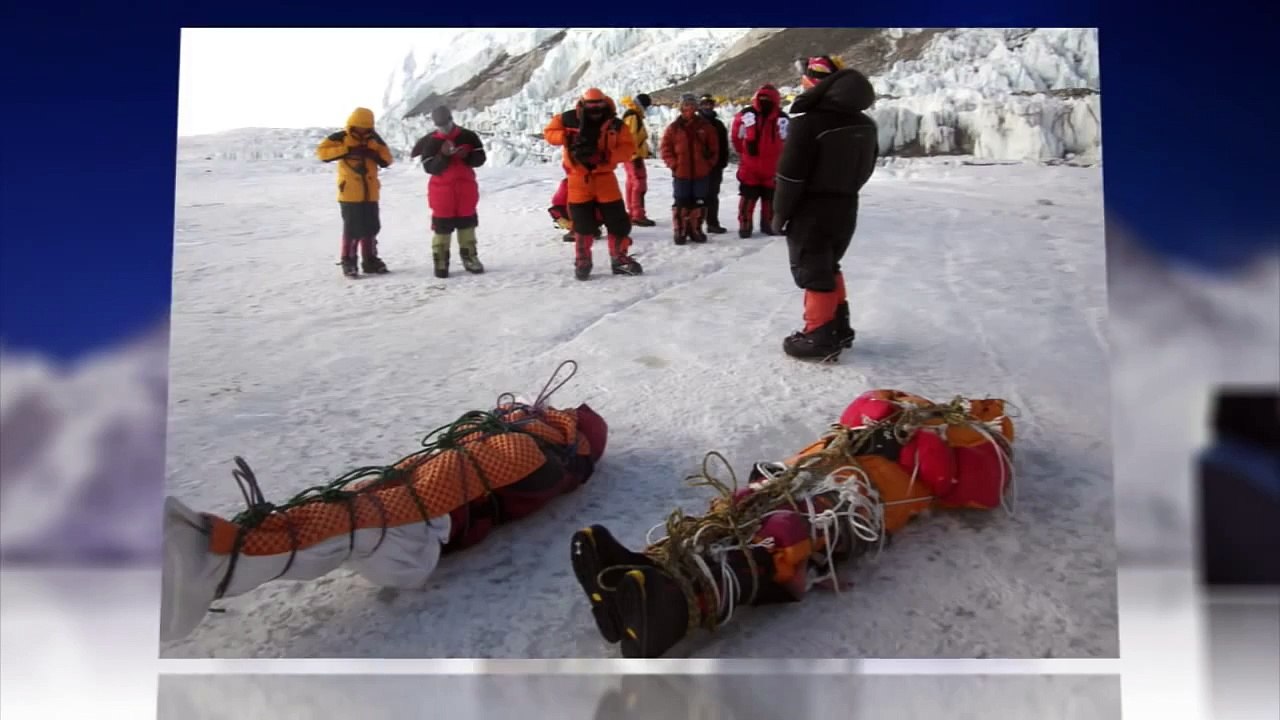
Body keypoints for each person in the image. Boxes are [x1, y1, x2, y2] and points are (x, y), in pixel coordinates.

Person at [160, 363, 610, 643]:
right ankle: (216, 554)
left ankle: (211, 560)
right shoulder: (528, 449)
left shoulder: (530, 452)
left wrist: (513, 425)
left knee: (346, 520)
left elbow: (465, 475)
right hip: (413, 523)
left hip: (419, 535)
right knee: (339, 513)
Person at [569, 388, 1016, 658]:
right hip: (814, 467)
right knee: (741, 506)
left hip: (861, 500)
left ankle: (673, 607)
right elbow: (860, 411)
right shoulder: (906, 406)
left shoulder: (973, 438)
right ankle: (642, 570)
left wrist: (924, 442)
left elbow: (973, 483)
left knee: (786, 534)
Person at [771, 56, 879, 361]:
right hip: (846, 204)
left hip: (812, 208)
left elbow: (790, 176)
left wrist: (780, 213)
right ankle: (838, 327)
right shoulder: (865, 124)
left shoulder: (808, 124)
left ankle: (818, 335)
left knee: (814, 270)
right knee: (829, 265)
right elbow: (867, 166)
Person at [544, 89, 644, 281]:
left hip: (605, 177)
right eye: (591, 104)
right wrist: (566, 137)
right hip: (578, 179)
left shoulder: (615, 124)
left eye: (598, 104)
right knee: (582, 224)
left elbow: (628, 148)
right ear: (583, 104)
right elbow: (549, 134)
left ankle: (619, 259)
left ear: (604, 103)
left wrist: (606, 156)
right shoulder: (567, 119)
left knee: (618, 222)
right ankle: (583, 261)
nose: (595, 108)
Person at [315, 107, 394, 278]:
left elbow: (387, 159)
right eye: (360, 126)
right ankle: (349, 262)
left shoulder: (374, 139)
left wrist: (373, 154)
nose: (363, 130)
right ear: (353, 124)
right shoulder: (341, 137)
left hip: (370, 193)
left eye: (366, 127)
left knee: (371, 227)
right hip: (350, 194)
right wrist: (347, 150)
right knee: (353, 229)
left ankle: (370, 261)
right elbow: (322, 153)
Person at [410, 106, 487, 279]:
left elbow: (480, 159)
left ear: (451, 120)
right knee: (442, 229)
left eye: (445, 124)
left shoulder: (468, 136)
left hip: (466, 190)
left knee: (467, 226)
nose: (444, 128)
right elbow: (430, 168)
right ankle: (441, 262)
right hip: (441, 193)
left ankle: (470, 258)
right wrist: (444, 156)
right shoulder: (431, 141)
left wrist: (467, 156)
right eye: (440, 125)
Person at [659, 93, 721, 245]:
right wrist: (674, 164)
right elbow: (665, 148)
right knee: (681, 202)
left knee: (698, 202)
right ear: (681, 107)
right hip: (681, 172)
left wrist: (708, 164)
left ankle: (695, 230)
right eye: (687, 105)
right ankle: (680, 230)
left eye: (692, 105)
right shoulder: (674, 128)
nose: (690, 108)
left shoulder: (705, 127)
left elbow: (714, 149)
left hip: (701, 173)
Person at [729, 84, 788, 239]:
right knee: (748, 198)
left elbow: (788, 141)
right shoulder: (745, 116)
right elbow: (736, 137)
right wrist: (745, 154)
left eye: (767, 98)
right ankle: (746, 225)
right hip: (752, 168)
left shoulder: (782, 119)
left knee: (770, 199)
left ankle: (767, 225)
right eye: (762, 98)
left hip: (771, 168)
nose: (764, 101)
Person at [620, 93, 657, 227]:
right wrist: (635, 155)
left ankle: (633, 212)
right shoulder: (633, 116)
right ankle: (638, 215)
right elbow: (632, 138)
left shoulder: (631, 115)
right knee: (639, 184)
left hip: (629, 156)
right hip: (633, 157)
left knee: (632, 183)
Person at [697, 94, 731, 234]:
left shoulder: (719, 125)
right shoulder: (695, 124)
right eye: (705, 104)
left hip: (715, 166)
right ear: (700, 106)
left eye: (710, 104)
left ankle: (712, 223)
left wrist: (723, 162)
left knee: (712, 195)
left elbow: (724, 145)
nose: (708, 106)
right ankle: (696, 225)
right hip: (699, 166)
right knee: (698, 196)